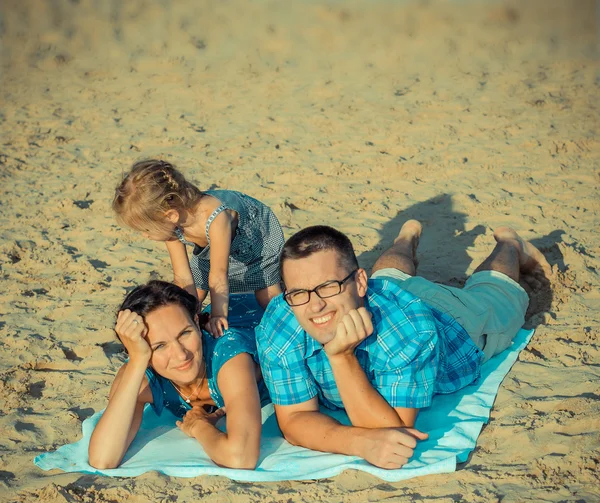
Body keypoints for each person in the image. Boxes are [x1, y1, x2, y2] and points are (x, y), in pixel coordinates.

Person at [256, 220, 551, 469]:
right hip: (386, 293)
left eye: (327, 287)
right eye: (299, 292)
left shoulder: (410, 332)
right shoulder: (283, 319)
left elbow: (391, 429)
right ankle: (406, 239)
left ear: (359, 283)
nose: (315, 305)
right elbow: (295, 419)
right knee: (389, 277)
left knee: (496, 293)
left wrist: (341, 357)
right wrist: (358, 443)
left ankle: (510, 245)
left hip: (455, 322)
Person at [88, 280, 269, 470]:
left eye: (185, 333)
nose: (181, 355)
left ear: (197, 324)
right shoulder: (140, 373)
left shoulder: (228, 356)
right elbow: (102, 458)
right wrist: (137, 361)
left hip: (253, 313)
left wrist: (199, 426)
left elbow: (241, 458)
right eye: (159, 346)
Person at [112, 159, 284, 338]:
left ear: (170, 215)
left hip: (255, 241)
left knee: (267, 296)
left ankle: (291, 327)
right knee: (193, 296)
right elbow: (183, 277)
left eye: (146, 230)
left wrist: (218, 316)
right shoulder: (170, 225)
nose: (144, 236)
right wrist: (191, 312)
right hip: (208, 246)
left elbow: (218, 274)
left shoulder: (215, 217)